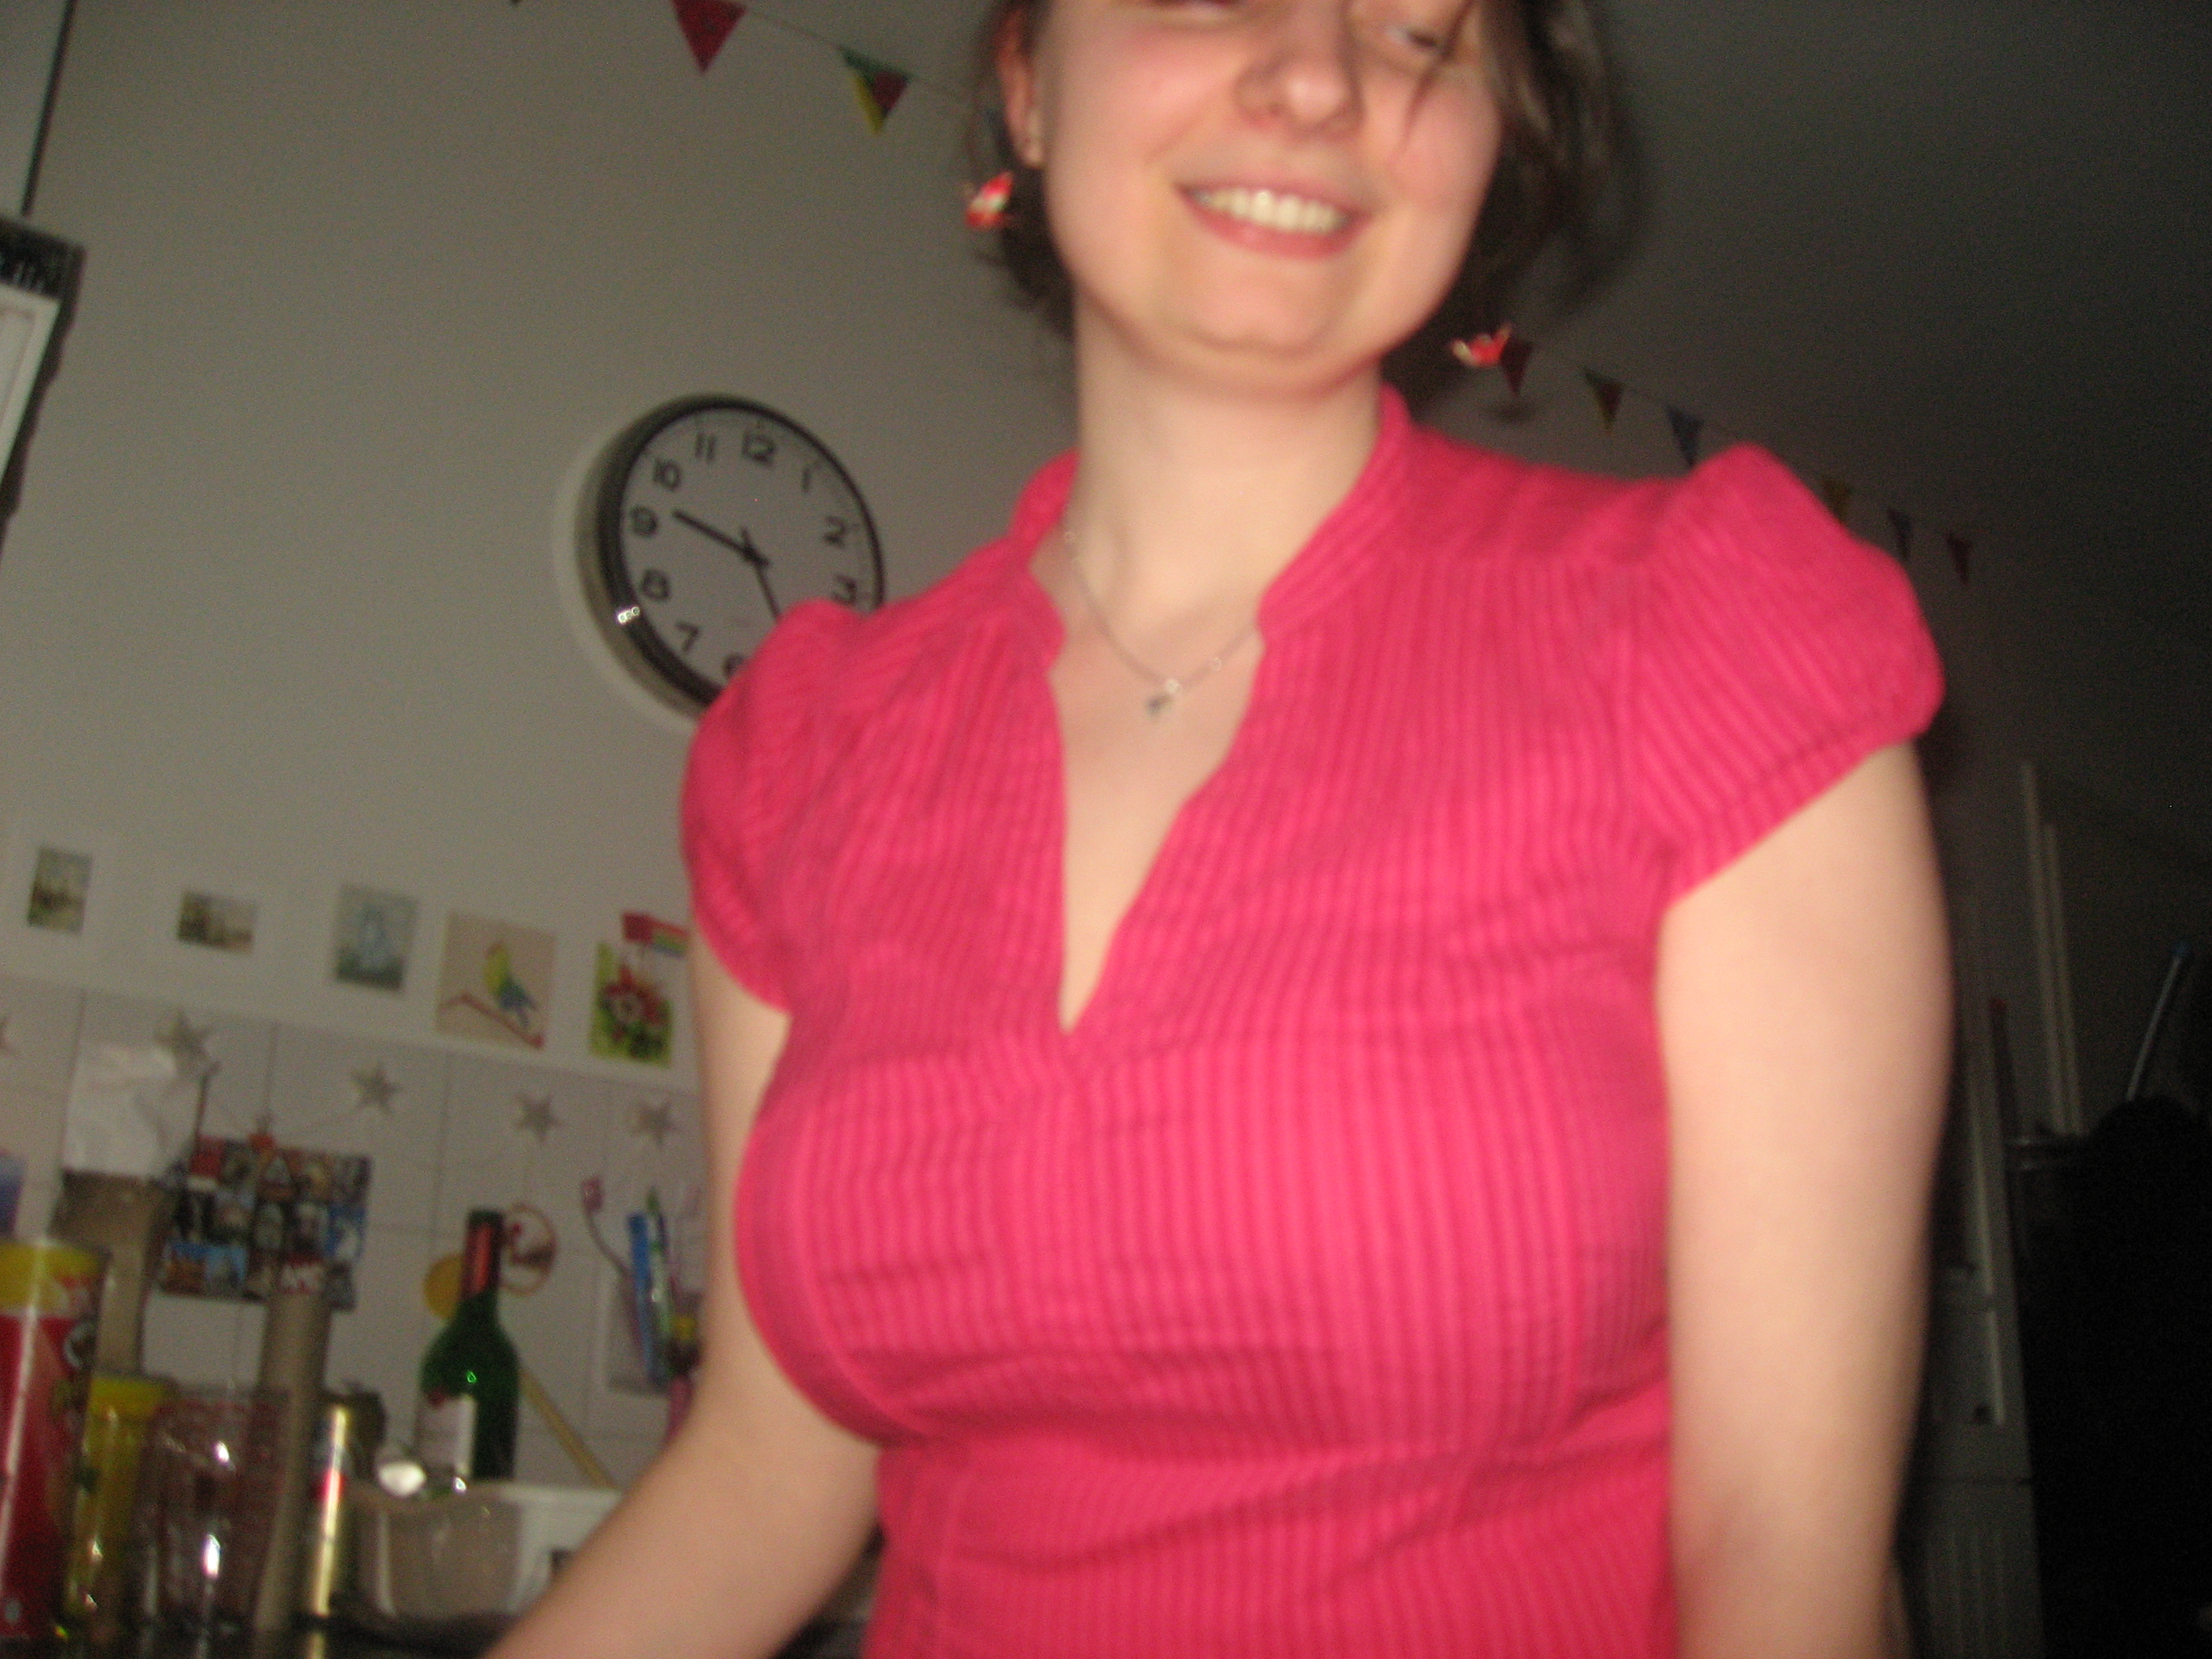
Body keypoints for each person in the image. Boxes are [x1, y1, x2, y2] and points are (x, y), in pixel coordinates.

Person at [495, 1, 1950, 1654]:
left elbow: (1785, 1563)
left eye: (1419, 28)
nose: (1321, 77)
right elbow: (766, 1473)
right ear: (1027, 86)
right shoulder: (804, 752)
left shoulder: (1714, 631)